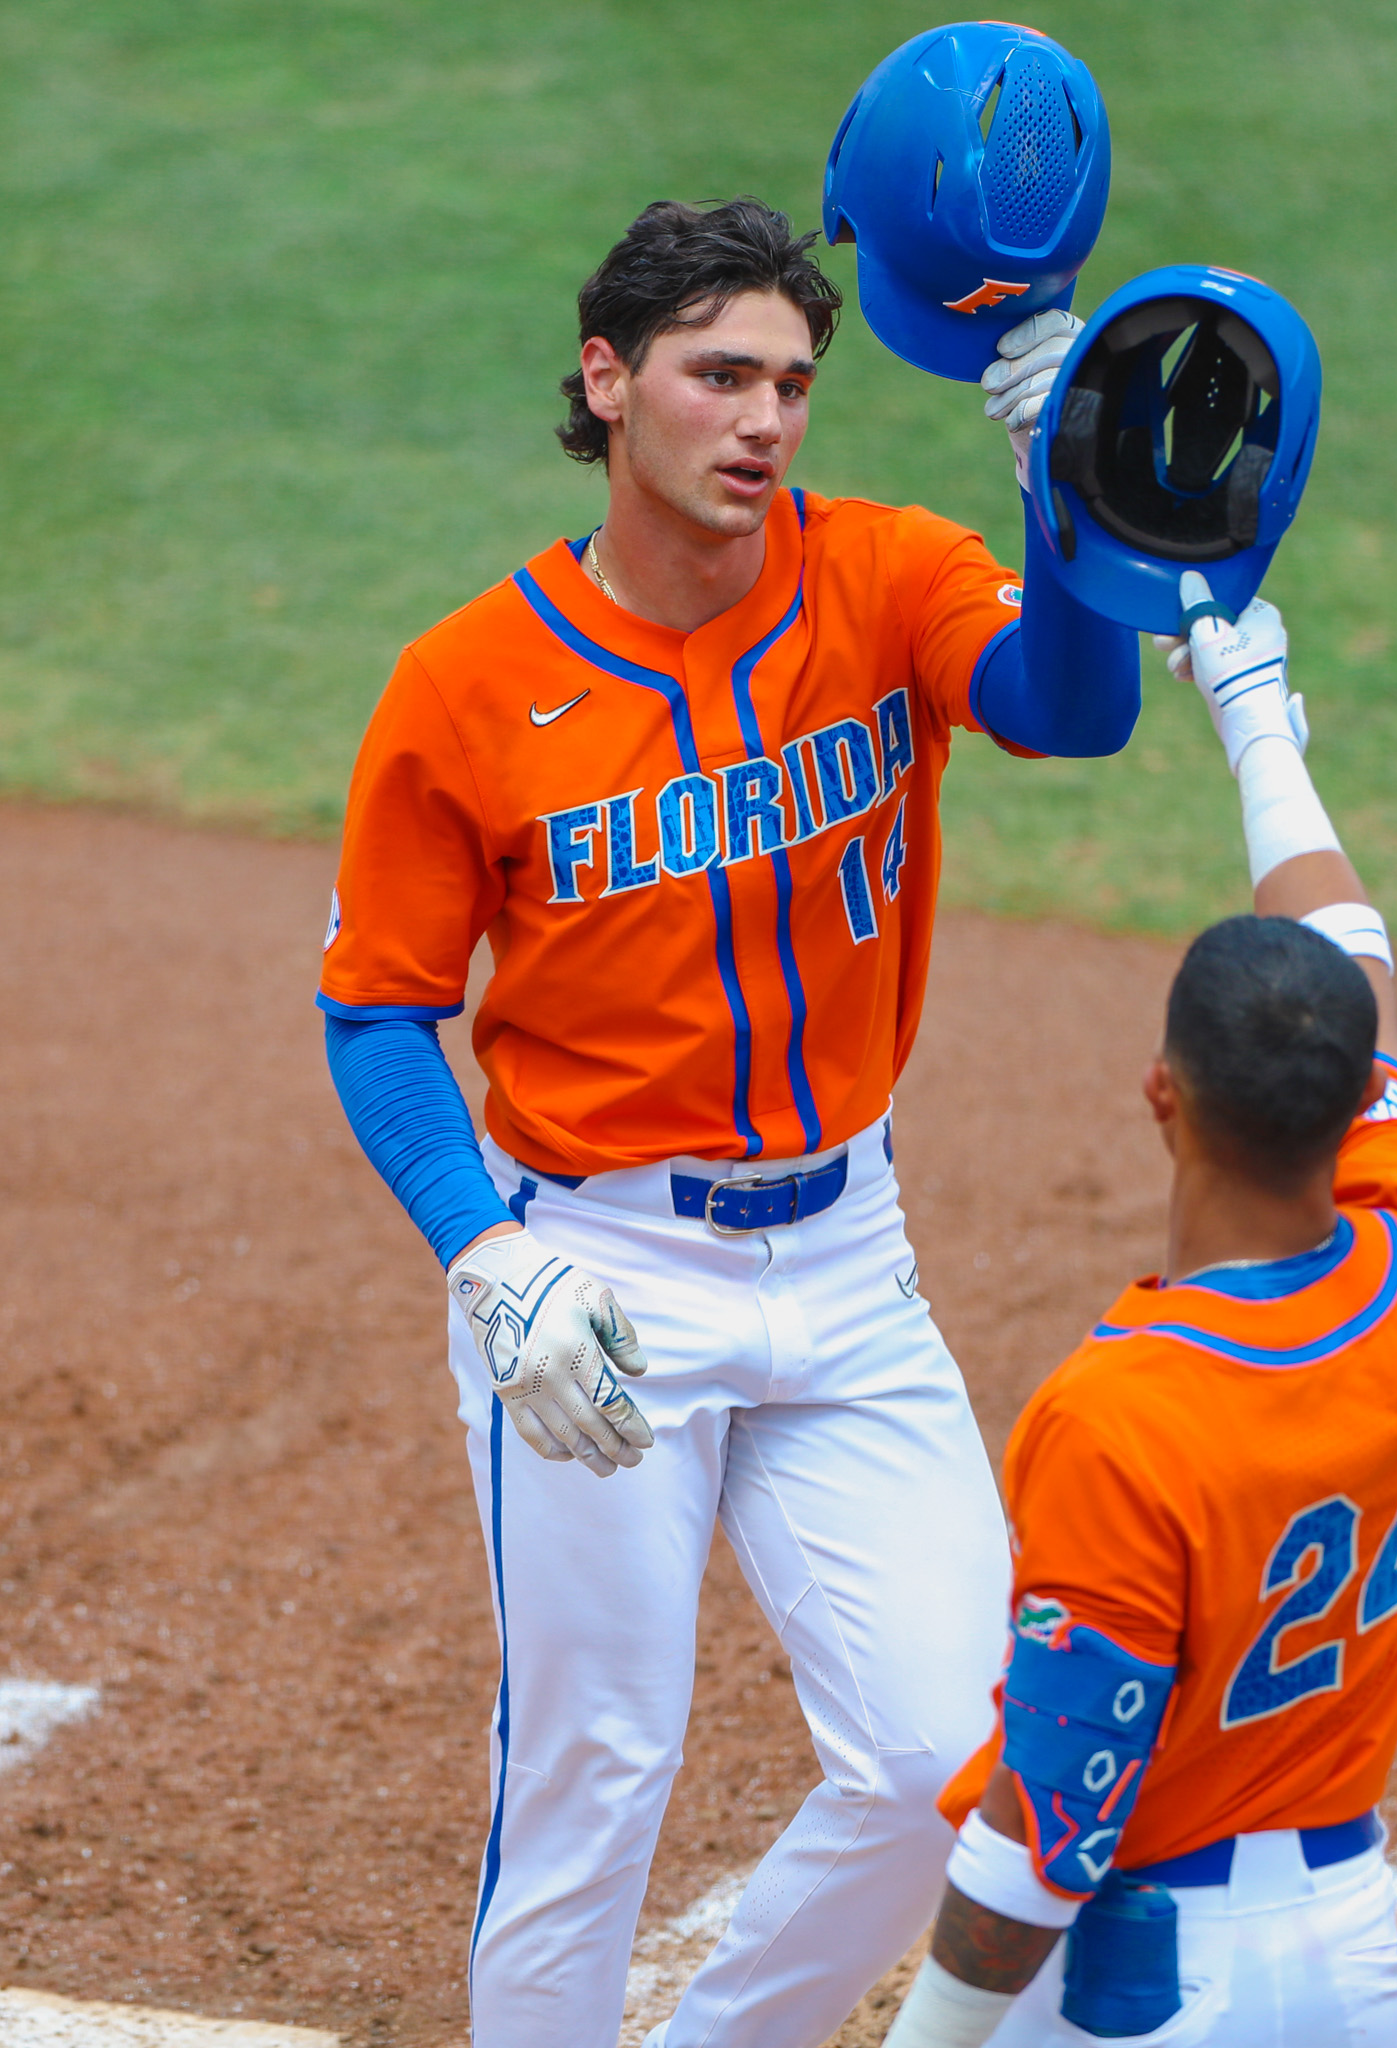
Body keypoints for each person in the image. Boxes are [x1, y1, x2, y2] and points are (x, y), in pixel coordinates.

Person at [317, 196, 1138, 2048]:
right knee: (594, 1773)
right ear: (609, 383)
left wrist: (1061, 499)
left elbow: (1067, 715)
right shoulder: (466, 687)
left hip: (850, 1265)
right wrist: (489, 1255)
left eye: (790, 382)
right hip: (595, 1274)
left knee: (949, 1755)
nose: (762, 420)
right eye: (716, 377)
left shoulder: (887, 576)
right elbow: (375, 1008)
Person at [882, 573, 1397, 2048]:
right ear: (1357, 1102)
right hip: (1346, 1963)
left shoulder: (1122, 1416)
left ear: (1160, 1095)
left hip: (1143, 1992)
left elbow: (1048, 1821)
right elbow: (1357, 956)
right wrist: (1254, 725)